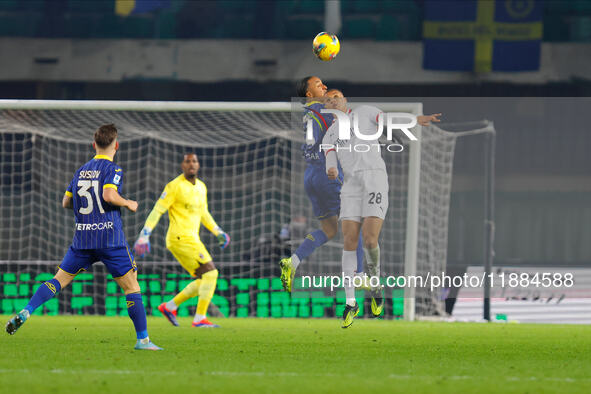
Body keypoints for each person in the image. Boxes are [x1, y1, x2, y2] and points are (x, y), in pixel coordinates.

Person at [5, 124, 162, 350]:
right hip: (110, 239)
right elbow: (109, 195)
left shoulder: (81, 171)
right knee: (131, 287)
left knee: (57, 280)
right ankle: (143, 340)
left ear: (93, 144)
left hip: (83, 240)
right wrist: (128, 202)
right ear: (116, 145)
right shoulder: (113, 170)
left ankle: (27, 310)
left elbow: (65, 202)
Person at [323, 89, 441, 327]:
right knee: (348, 240)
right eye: (328, 99)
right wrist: (331, 169)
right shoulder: (330, 135)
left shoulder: (365, 113)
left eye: (337, 96)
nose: (333, 100)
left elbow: (387, 120)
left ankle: (375, 284)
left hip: (374, 178)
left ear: (345, 100)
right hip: (350, 186)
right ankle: (350, 303)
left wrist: (415, 120)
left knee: (369, 240)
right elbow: (330, 161)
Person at [279, 76, 365, 293]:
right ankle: (360, 274)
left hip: (311, 175)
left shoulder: (309, 112)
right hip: (327, 173)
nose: (325, 88)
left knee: (328, 229)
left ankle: (293, 261)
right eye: (319, 85)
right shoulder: (325, 109)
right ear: (309, 94)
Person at [133, 153, 230, 328]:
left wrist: (218, 231)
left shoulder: (201, 187)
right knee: (211, 274)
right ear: (182, 165)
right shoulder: (174, 186)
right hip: (179, 238)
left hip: (192, 239)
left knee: (204, 279)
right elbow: (157, 210)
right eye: (188, 161)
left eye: (194, 161)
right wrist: (144, 234)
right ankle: (199, 318)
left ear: (198, 165)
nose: (191, 164)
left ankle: (169, 306)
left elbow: (204, 214)